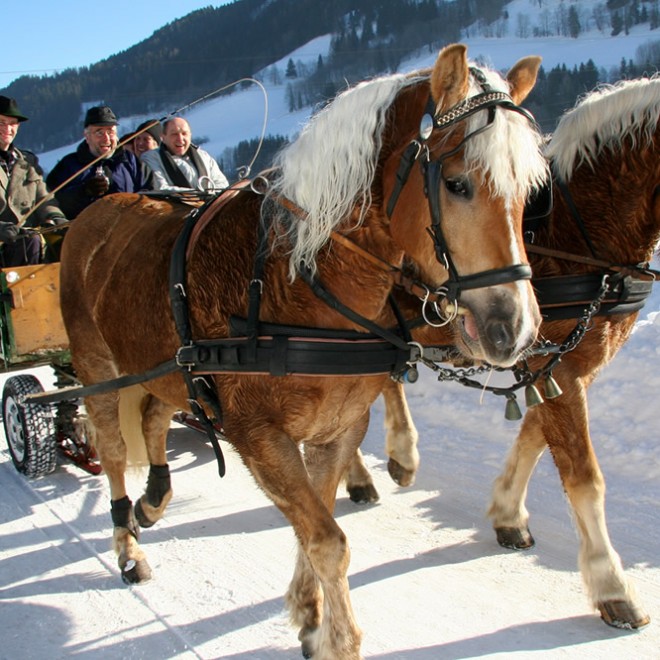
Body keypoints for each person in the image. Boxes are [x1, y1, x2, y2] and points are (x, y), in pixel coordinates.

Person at [46, 105, 153, 219]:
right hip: (84, 231)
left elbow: (149, 192)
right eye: (99, 132)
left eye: (110, 132)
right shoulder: (69, 165)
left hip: (126, 229)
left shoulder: (130, 161)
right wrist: (84, 191)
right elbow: (54, 202)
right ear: (87, 137)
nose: (106, 139)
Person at [0, 95, 67, 266]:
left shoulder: (27, 162)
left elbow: (43, 199)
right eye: (1, 122)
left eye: (12, 123)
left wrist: (56, 217)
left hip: (25, 240)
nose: (7, 128)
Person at [141, 117, 228, 192]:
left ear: (190, 135)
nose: (180, 139)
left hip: (209, 208)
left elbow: (222, 184)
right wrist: (200, 193)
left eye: (184, 133)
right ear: (163, 137)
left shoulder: (204, 156)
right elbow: (160, 188)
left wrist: (206, 195)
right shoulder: (152, 158)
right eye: (174, 134)